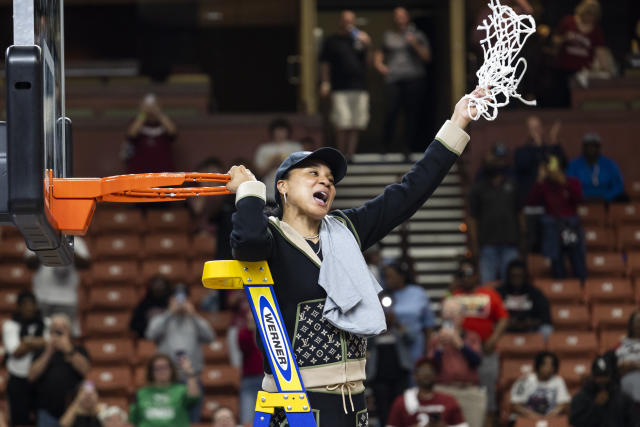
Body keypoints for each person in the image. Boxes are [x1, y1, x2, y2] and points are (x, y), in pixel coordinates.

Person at [225, 90, 480, 425]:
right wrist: (249, 193)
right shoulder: (270, 235)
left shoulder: (345, 229)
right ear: (283, 186)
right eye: (313, 174)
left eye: (330, 180)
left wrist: (458, 121)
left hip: (354, 402)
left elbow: (410, 192)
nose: (326, 183)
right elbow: (247, 244)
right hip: (295, 403)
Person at [451, 258, 509, 427]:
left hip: (486, 351)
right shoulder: (454, 295)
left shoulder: (489, 294)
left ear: (476, 275)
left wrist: (493, 339)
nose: (466, 278)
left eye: (469, 274)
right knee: (462, 392)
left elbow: (503, 319)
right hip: (462, 352)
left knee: (488, 393)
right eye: (462, 274)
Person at [145, 285, 214, 423]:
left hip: (191, 379)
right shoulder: (163, 319)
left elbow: (210, 336)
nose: (180, 303)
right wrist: (170, 313)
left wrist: (193, 314)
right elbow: (150, 333)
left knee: (193, 421)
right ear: (170, 300)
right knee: (171, 421)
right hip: (168, 381)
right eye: (176, 299)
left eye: (183, 299)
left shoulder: (194, 320)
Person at [374, 7, 431, 155]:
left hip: (414, 78)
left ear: (407, 18)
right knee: (391, 111)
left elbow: (427, 57)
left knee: (411, 114)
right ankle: (385, 146)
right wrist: (380, 66)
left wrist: (414, 43)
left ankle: (407, 148)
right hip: (393, 79)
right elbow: (379, 54)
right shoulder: (388, 36)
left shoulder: (418, 35)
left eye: (402, 16)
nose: (399, 19)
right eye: (397, 16)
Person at [319, 10, 372, 162]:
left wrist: (368, 46)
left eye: (351, 20)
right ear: (340, 21)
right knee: (342, 123)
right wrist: (325, 82)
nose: (348, 23)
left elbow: (368, 64)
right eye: (346, 20)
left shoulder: (359, 40)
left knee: (356, 123)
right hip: (339, 87)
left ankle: (351, 155)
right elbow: (325, 64)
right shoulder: (332, 40)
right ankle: (341, 154)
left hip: (359, 87)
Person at [469, 144, 523, 284]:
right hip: (487, 244)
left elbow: (520, 213)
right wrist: (475, 245)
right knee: (487, 285)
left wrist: (522, 238)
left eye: (498, 161)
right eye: (492, 161)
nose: (495, 164)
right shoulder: (478, 188)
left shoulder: (512, 185)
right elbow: (473, 219)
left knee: (511, 285)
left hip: (510, 243)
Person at [527, 155, 586, 280]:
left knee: (576, 258)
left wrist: (564, 182)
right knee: (556, 260)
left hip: (570, 225)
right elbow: (531, 202)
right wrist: (539, 180)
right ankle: (560, 283)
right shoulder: (544, 185)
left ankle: (582, 286)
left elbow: (578, 198)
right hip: (552, 227)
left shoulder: (572, 182)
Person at [428, 298, 485, 427]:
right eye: (447, 311)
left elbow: (477, 361)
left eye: (454, 312)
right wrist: (440, 348)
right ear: (442, 316)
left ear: (462, 317)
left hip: (469, 391)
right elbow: (430, 369)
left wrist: (460, 344)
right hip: (443, 390)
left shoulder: (472, 337)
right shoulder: (435, 340)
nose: (450, 315)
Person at [28, 314, 91, 427]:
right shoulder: (41, 351)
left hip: (73, 411)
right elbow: (31, 376)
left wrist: (69, 350)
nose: (59, 330)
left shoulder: (79, 349)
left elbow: (85, 370)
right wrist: (48, 352)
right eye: (55, 327)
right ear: (50, 331)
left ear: (70, 331)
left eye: (63, 327)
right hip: (46, 412)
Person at [26, 236, 91, 336]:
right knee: (40, 333)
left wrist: (67, 250)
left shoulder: (76, 241)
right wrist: (45, 248)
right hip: (41, 297)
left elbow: (86, 264)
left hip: (67, 299)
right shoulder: (37, 236)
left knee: (67, 334)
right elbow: (28, 263)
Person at [547, 0, 607, 107]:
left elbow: (600, 51)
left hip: (582, 71)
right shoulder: (568, 22)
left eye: (592, 16)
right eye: (587, 15)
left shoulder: (596, 30)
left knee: (578, 98)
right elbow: (554, 40)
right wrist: (565, 38)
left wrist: (605, 68)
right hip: (563, 68)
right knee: (560, 97)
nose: (589, 19)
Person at [3, 291, 49, 427]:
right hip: (18, 380)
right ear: (18, 307)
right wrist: (39, 342)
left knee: (43, 419)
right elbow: (16, 352)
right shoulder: (10, 326)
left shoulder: (46, 322)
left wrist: (28, 341)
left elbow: (51, 343)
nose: (29, 308)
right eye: (25, 304)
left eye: (32, 304)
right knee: (19, 421)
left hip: (41, 378)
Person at [382, 258, 435, 367]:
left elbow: (428, 323)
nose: (388, 280)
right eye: (386, 277)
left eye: (391, 276)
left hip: (415, 343)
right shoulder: (383, 296)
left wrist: (428, 349)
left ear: (401, 276)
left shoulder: (418, 293)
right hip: (394, 347)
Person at [386, 357, 467, 427]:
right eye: (422, 370)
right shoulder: (402, 402)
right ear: (415, 375)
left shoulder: (449, 401)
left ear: (436, 376)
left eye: (430, 370)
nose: (426, 373)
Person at [129, 354, 201, 427]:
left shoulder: (181, 390)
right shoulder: (141, 393)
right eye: (157, 368)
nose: (161, 371)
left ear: (171, 369)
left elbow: (194, 397)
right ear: (151, 372)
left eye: (165, 367)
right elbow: (133, 420)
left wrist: (190, 373)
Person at [569, 355, 640, 427]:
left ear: (611, 375)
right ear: (592, 376)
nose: (602, 379)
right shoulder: (581, 398)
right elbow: (575, 422)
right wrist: (596, 406)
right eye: (599, 375)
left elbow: (634, 422)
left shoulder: (623, 398)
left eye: (605, 375)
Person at [514, 116, 566, 205]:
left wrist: (554, 140)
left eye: (537, 127)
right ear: (527, 131)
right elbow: (523, 165)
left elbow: (561, 165)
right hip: (530, 199)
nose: (536, 131)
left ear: (542, 129)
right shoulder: (520, 151)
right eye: (532, 128)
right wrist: (537, 147)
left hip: (549, 201)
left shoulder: (550, 150)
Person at [496, 260, 552, 339]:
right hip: (505, 330)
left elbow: (545, 317)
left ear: (525, 277)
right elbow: (493, 316)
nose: (516, 279)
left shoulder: (535, 293)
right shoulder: (499, 292)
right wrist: (508, 323)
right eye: (513, 276)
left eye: (519, 276)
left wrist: (529, 322)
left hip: (531, 329)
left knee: (547, 329)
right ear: (508, 276)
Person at [123, 93, 177, 174]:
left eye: (154, 105)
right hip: (140, 172)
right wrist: (143, 114)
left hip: (163, 172)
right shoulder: (136, 121)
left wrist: (158, 113)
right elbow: (131, 134)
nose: (151, 108)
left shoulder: (165, 122)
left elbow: (173, 132)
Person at [567, 133, 626, 203]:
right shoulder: (574, 165)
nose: (591, 149)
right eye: (587, 146)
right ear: (583, 148)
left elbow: (618, 185)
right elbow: (569, 184)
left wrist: (606, 197)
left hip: (606, 200)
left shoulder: (609, 164)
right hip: (581, 200)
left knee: (623, 198)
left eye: (594, 146)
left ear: (599, 148)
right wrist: (580, 197)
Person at [253, 119, 303, 203]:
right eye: (277, 131)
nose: (280, 133)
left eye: (282, 130)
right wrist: (272, 164)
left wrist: (284, 163)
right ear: (272, 132)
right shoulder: (264, 149)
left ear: (288, 132)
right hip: (269, 193)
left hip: (291, 193)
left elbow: (301, 170)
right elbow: (258, 174)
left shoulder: (296, 147)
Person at [510, 352, 570, 421]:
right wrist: (531, 415)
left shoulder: (558, 380)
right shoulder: (524, 381)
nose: (549, 368)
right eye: (545, 364)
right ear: (538, 365)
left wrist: (551, 415)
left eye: (552, 365)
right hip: (528, 419)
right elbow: (515, 405)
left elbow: (563, 404)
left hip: (551, 419)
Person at [237, 310, 263, 424]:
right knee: (247, 417)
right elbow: (246, 347)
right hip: (249, 380)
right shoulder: (243, 333)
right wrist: (253, 329)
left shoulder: (267, 331)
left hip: (267, 379)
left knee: (267, 416)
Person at [615, 310, 640, 406]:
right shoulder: (621, 346)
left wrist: (632, 365)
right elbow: (619, 368)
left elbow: (626, 365)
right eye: (638, 321)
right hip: (629, 397)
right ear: (632, 325)